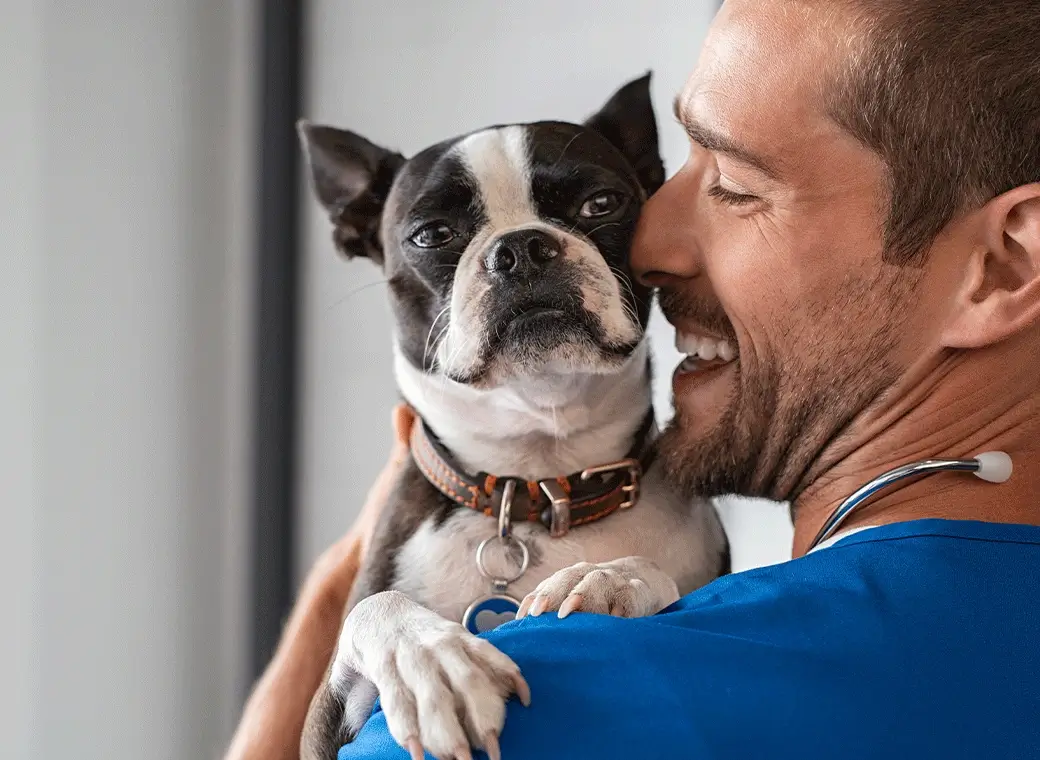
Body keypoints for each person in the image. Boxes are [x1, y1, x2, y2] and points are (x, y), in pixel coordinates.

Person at [226, 0, 1040, 757]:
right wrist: (349, 584)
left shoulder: (542, 702)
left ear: (1004, 265)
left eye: (735, 187)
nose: (650, 246)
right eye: (675, 170)